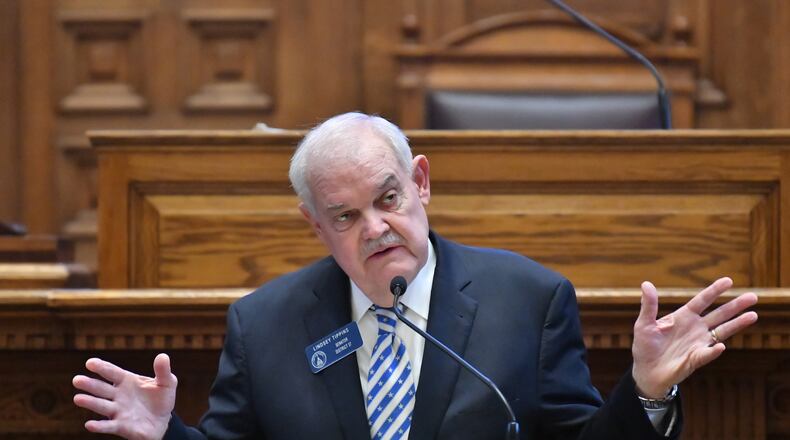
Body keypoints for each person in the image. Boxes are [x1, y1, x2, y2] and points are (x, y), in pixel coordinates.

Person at [73, 112, 759, 440]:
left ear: (421, 183)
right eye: (345, 216)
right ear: (316, 226)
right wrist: (168, 435)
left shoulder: (527, 300)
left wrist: (643, 392)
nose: (374, 227)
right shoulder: (266, 323)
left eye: (388, 198)